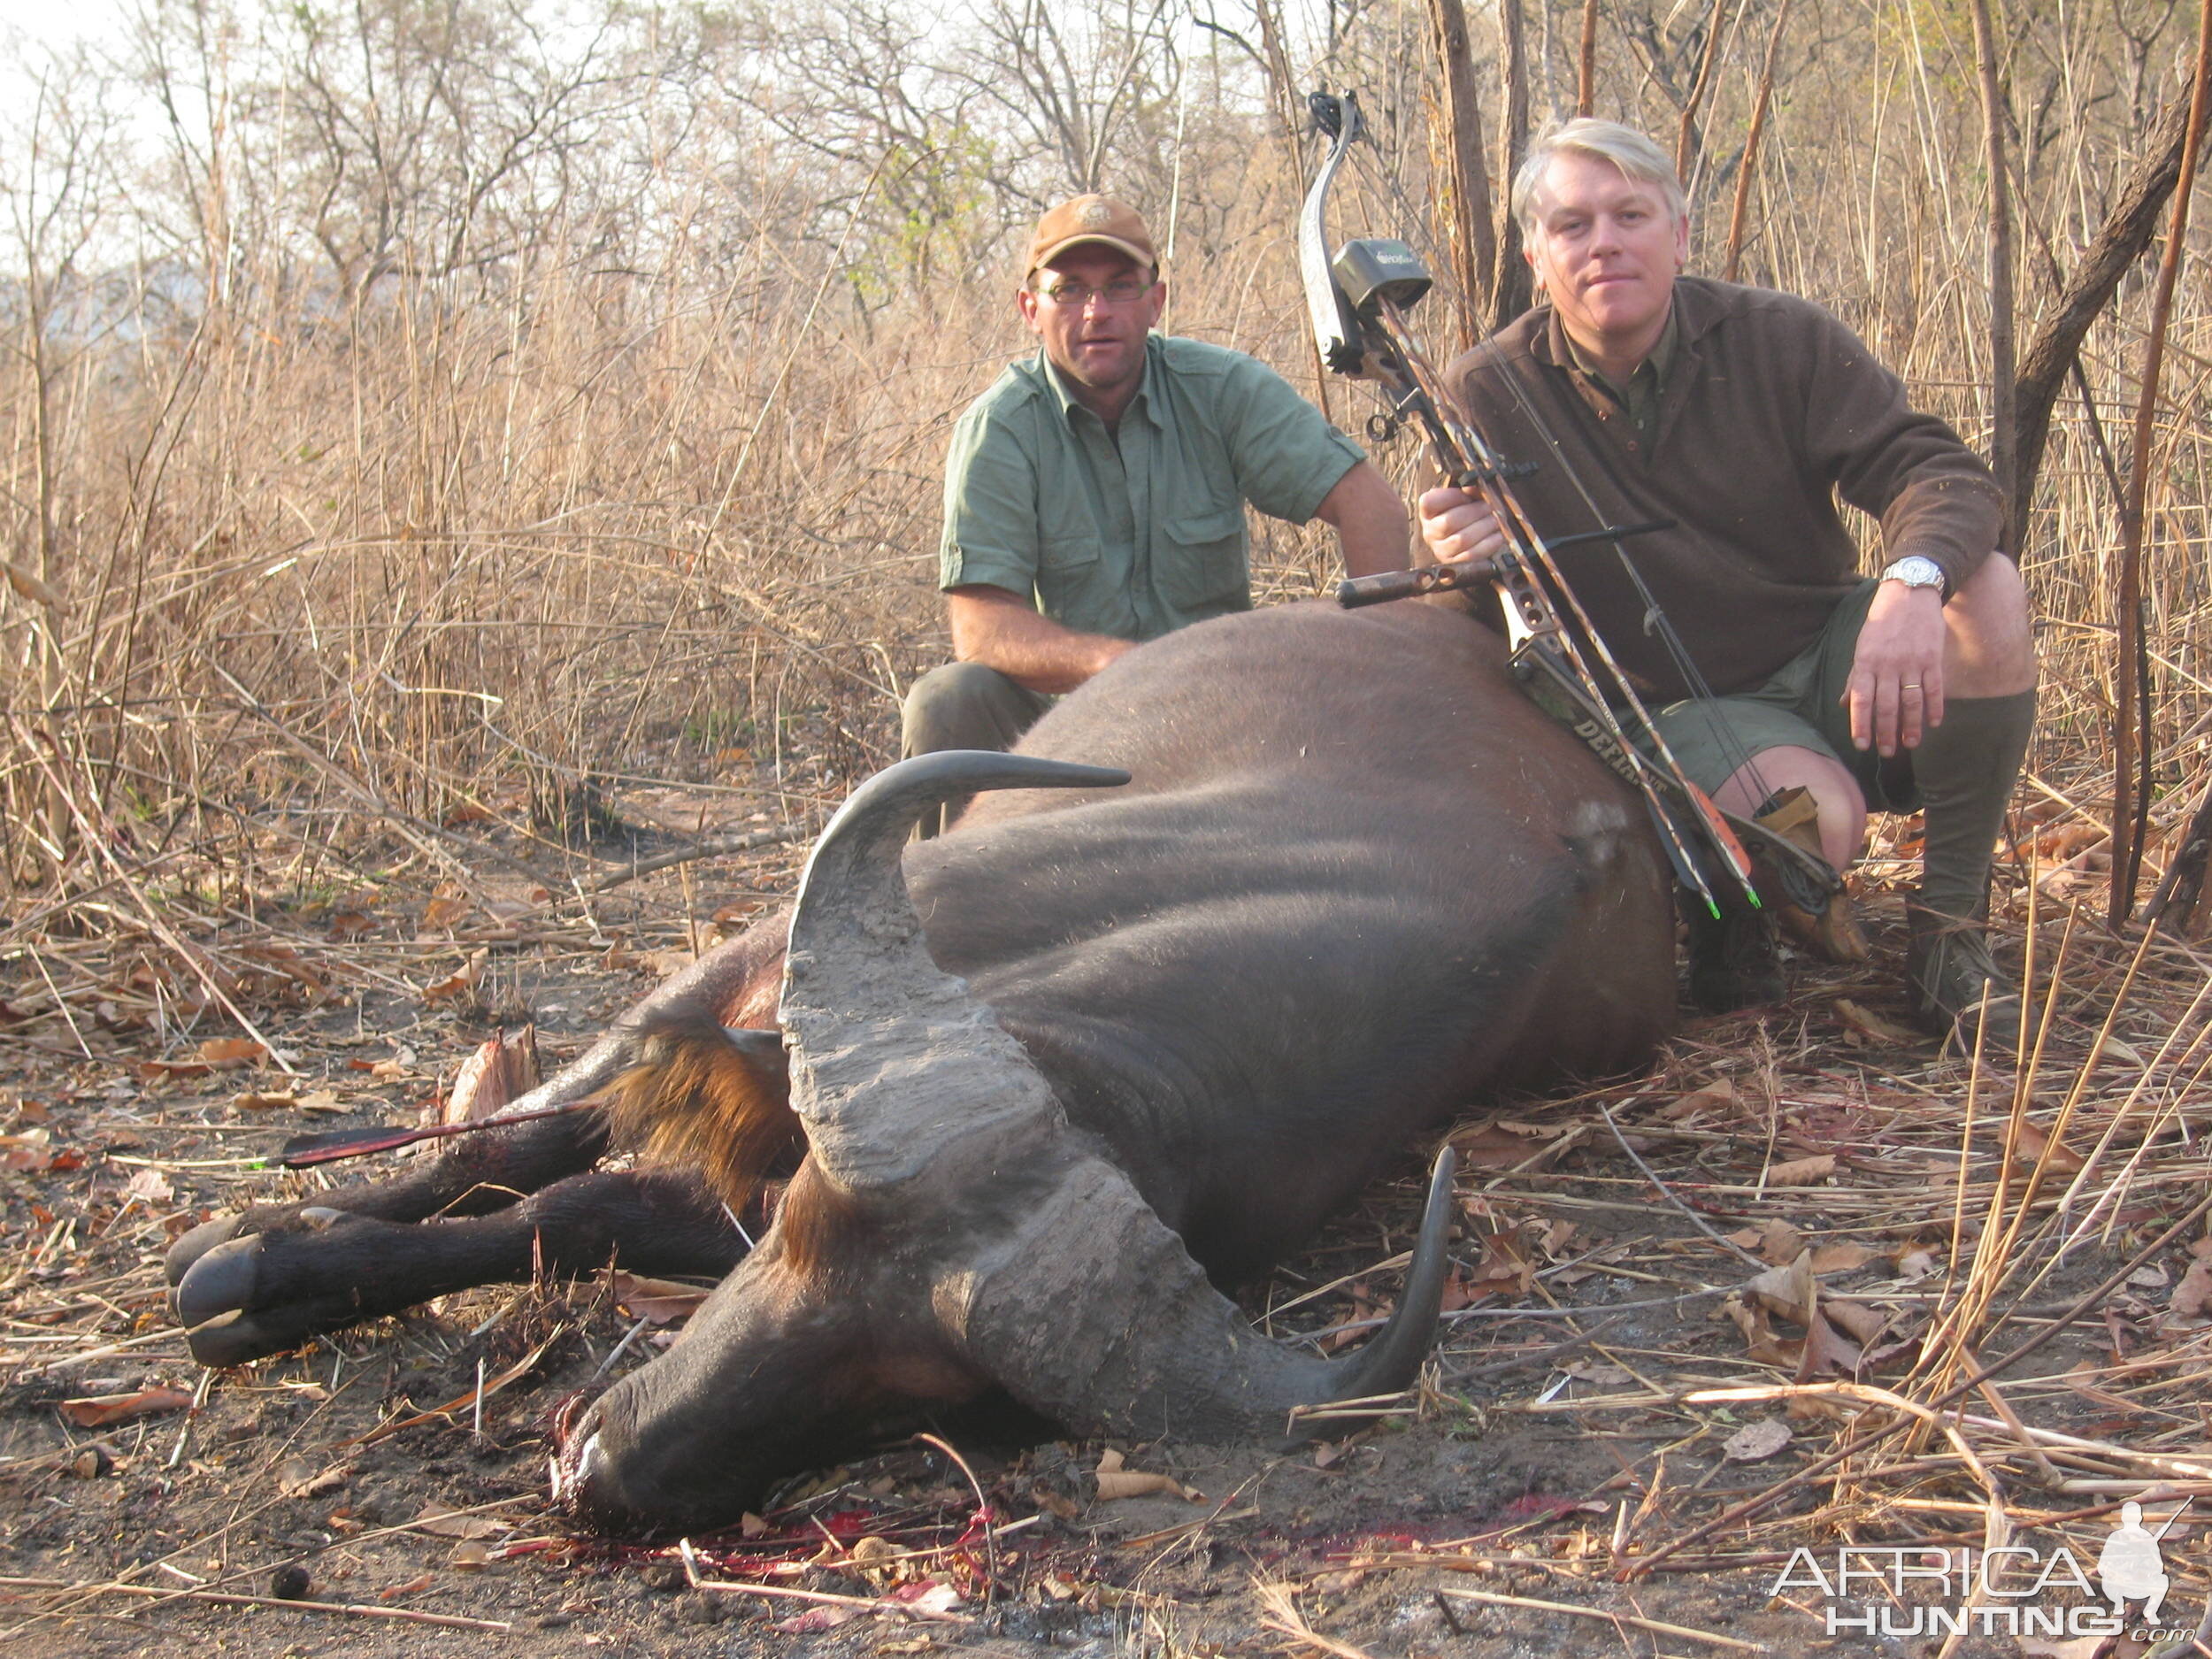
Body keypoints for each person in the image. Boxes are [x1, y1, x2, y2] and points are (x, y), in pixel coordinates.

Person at [1418, 119, 2038, 1042]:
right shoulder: (1483, 391)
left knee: (1983, 587)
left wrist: (1909, 584)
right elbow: (1471, 621)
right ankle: (1736, 905)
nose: (1605, 243)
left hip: (1832, 655)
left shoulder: (1777, 337)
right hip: (1690, 712)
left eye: (1631, 214)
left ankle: (1950, 934)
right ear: (1534, 254)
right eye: (1572, 224)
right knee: (1813, 830)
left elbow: (1934, 472)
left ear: (1679, 230)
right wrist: (1450, 558)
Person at [903, 193, 1409, 828]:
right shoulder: (999, 428)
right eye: (1070, 291)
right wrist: (1119, 668)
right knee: (947, 699)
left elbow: (1373, 509)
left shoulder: (1223, 388)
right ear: (1030, 308)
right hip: (1063, 731)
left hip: (1218, 720)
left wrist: (1372, 665)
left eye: (1120, 287)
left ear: (1156, 301)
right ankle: (950, 910)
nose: (1097, 312)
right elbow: (982, 630)